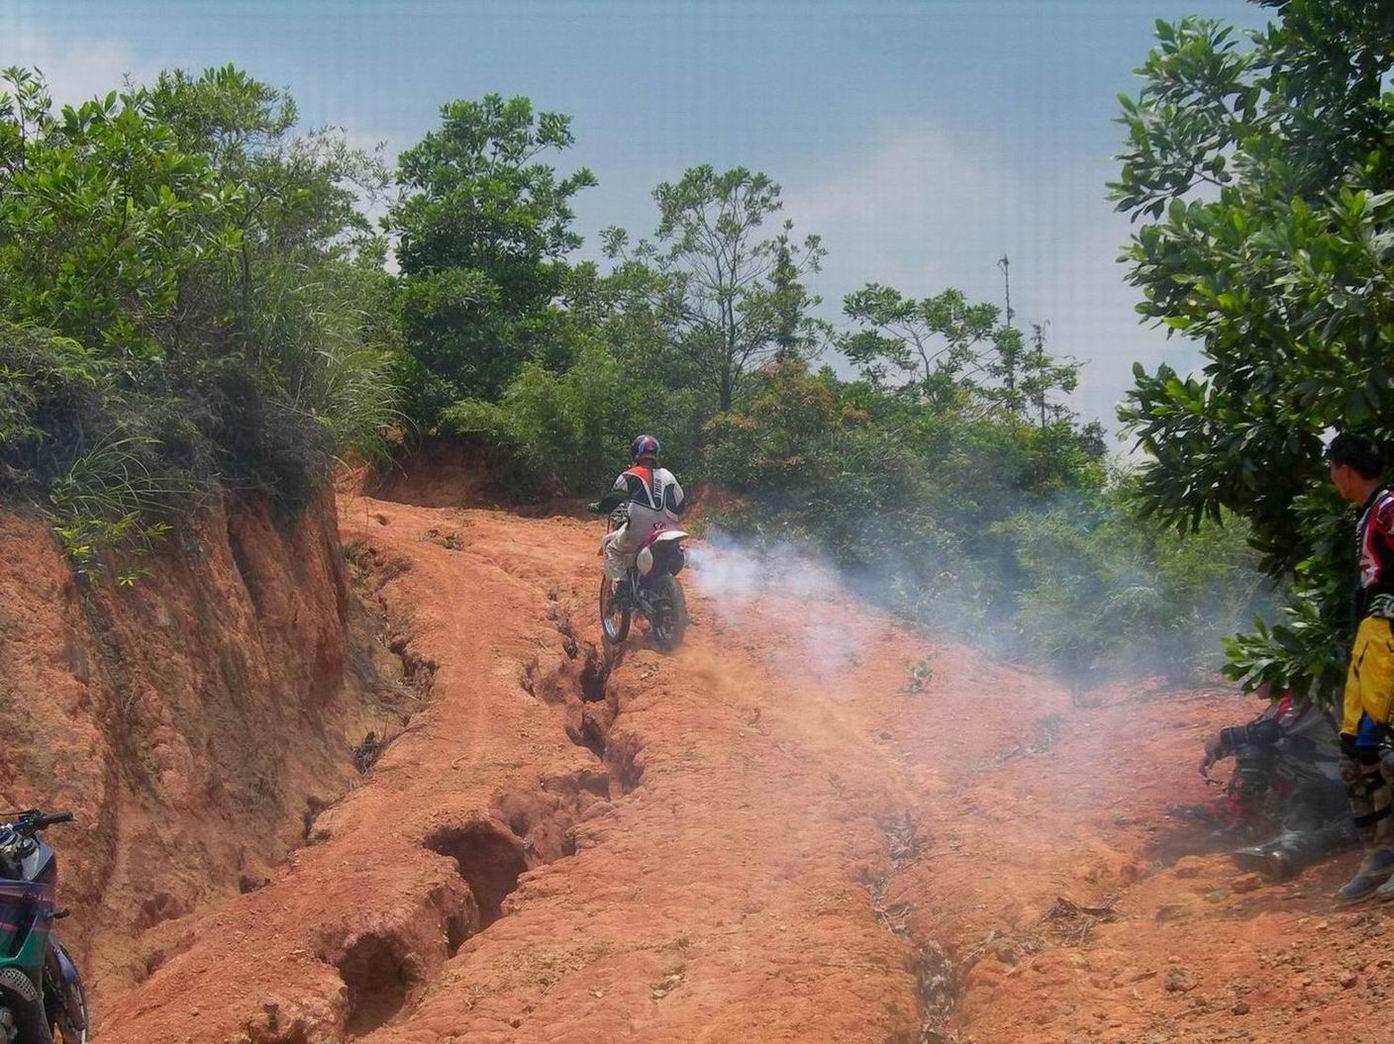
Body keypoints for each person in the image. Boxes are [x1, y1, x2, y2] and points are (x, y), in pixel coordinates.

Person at [1325, 432, 1394, 902]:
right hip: (1372, 639)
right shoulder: (1369, 513)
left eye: (1331, 469)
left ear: (1344, 469)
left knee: (1384, 743)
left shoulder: (1389, 508)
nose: (1331, 479)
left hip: (1389, 637)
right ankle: (1381, 853)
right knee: (1358, 745)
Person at [1198, 690, 1357, 880]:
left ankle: (1283, 845)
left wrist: (1224, 737)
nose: (1252, 684)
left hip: (1339, 782)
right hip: (1322, 780)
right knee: (1306, 803)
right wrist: (1221, 747)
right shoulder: (1286, 702)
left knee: (1342, 823)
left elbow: (1267, 732)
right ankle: (1275, 838)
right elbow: (1260, 731)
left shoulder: (1308, 698)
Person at [591, 435, 686, 592]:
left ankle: (622, 588)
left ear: (635, 453)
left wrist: (597, 507)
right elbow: (681, 506)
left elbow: (612, 500)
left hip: (639, 532)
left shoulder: (630, 474)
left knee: (611, 548)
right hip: (668, 530)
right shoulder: (669, 475)